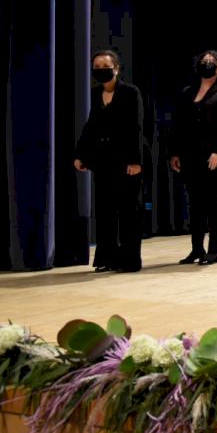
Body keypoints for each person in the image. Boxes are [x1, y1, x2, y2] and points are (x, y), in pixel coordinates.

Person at [73, 50, 145, 273]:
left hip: (127, 161)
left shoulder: (130, 92)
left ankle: (130, 260)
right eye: (96, 67)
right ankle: (107, 258)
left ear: (116, 68)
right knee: (105, 211)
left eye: (105, 66)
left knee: (128, 211)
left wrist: (136, 161)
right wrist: (81, 154)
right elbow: (91, 126)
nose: (100, 70)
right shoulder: (96, 94)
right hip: (103, 161)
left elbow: (136, 127)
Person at [170, 50, 217, 266]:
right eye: (204, 61)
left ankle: (214, 249)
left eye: (211, 62)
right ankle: (196, 248)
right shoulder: (188, 91)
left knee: (213, 203)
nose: (206, 64)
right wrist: (175, 152)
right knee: (195, 204)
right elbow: (179, 125)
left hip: (213, 155)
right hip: (190, 155)